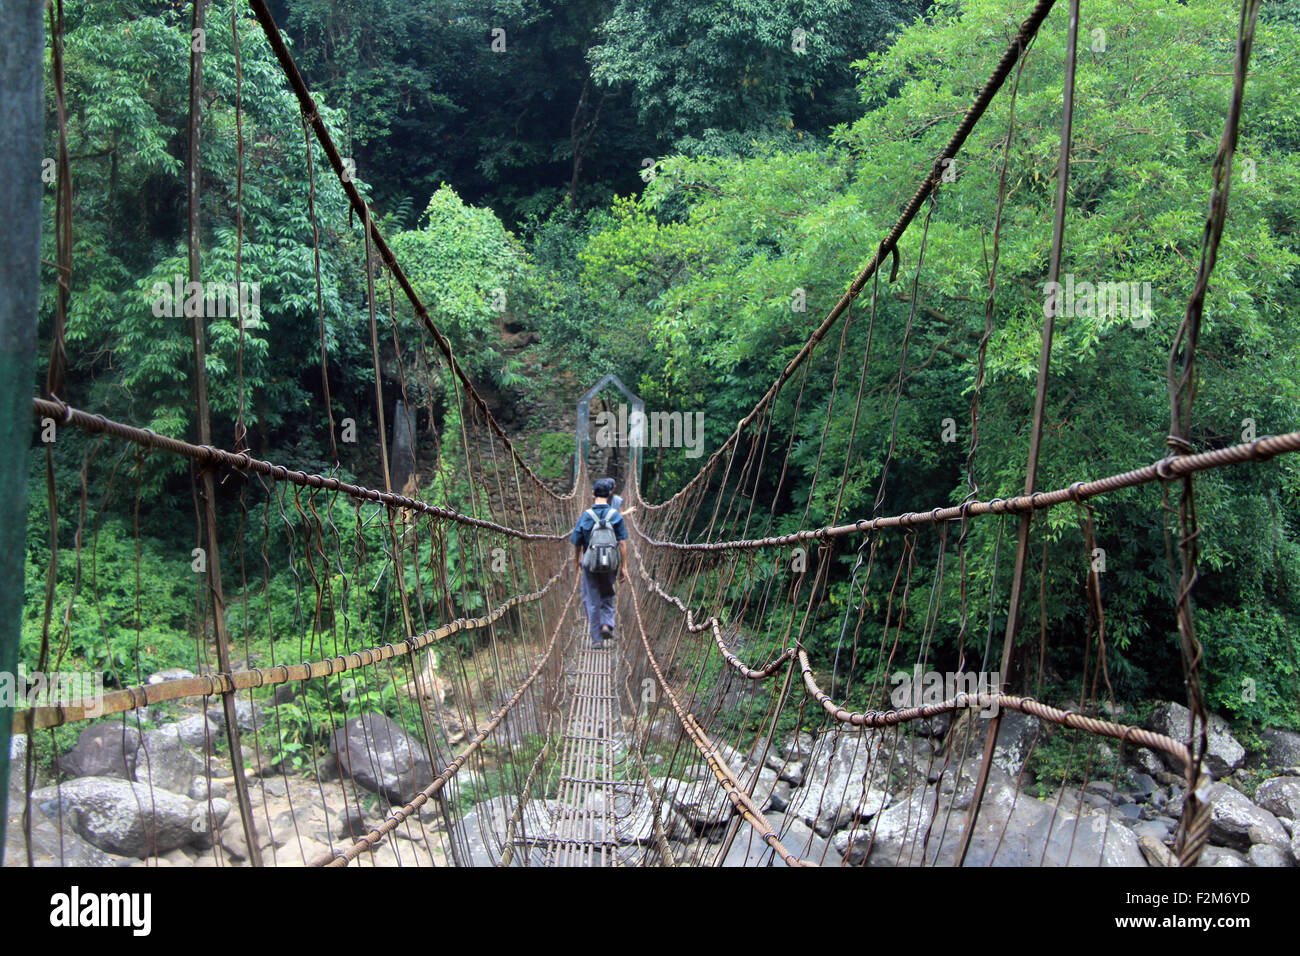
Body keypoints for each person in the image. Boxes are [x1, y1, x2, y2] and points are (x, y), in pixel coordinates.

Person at [571, 477, 628, 648]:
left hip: (590, 563)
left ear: (593, 494)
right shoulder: (615, 515)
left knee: (591, 599)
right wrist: (624, 567)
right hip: (610, 563)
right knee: (607, 594)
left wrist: (577, 560)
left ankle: (596, 639)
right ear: (610, 494)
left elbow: (576, 542)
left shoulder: (586, 516)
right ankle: (606, 624)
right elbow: (622, 543)